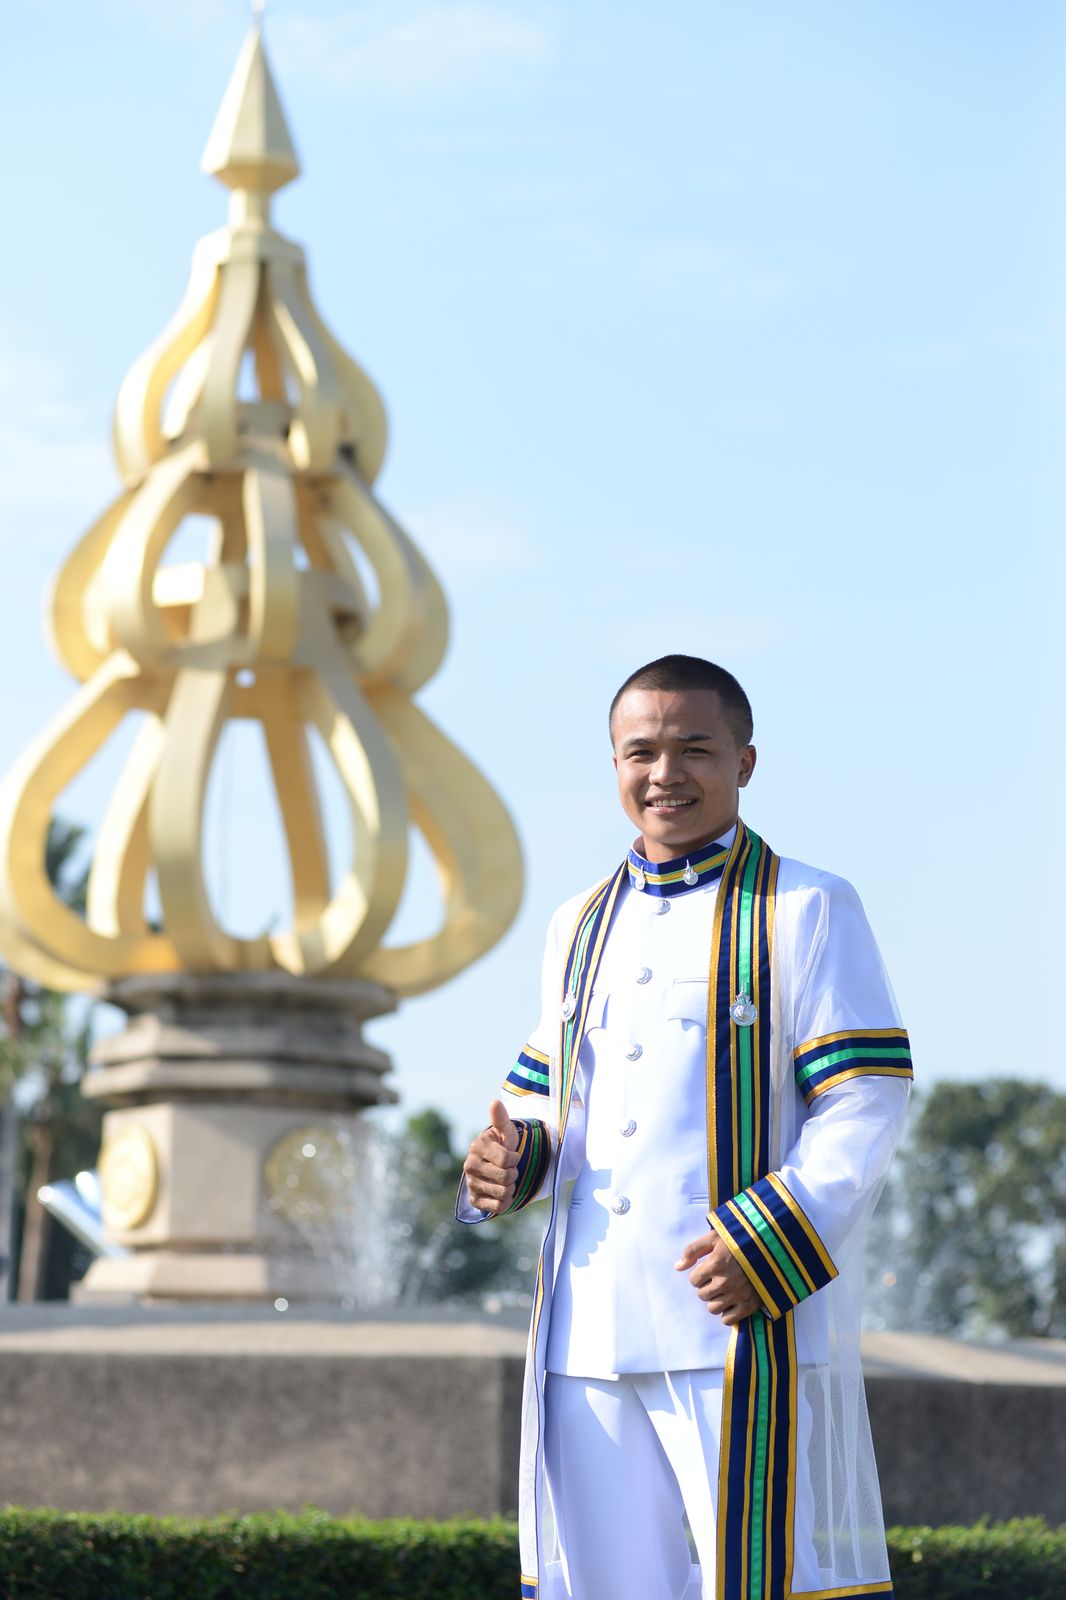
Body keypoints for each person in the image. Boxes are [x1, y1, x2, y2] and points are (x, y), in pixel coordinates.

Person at [457, 655, 912, 1600]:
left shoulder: (807, 906)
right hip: (585, 1328)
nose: (665, 773)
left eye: (694, 749)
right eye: (642, 752)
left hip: (733, 1316)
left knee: (762, 1581)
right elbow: (547, 1099)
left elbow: (863, 1096)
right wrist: (509, 1158)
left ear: (744, 762)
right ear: (614, 765)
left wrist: (770, 1241)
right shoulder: (577, 922)